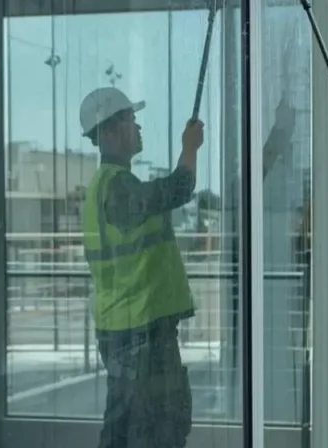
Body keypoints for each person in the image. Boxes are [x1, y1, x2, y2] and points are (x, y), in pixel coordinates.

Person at [79, 87, 202, 448]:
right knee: (146, 432)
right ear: (107, 133)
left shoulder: (111, 185)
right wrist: (190, 148)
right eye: (130, 121)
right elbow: (177, 189)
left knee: (135, 429)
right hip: (137, 331)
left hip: (134, 327)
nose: (138, 128)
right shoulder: (116, 189)